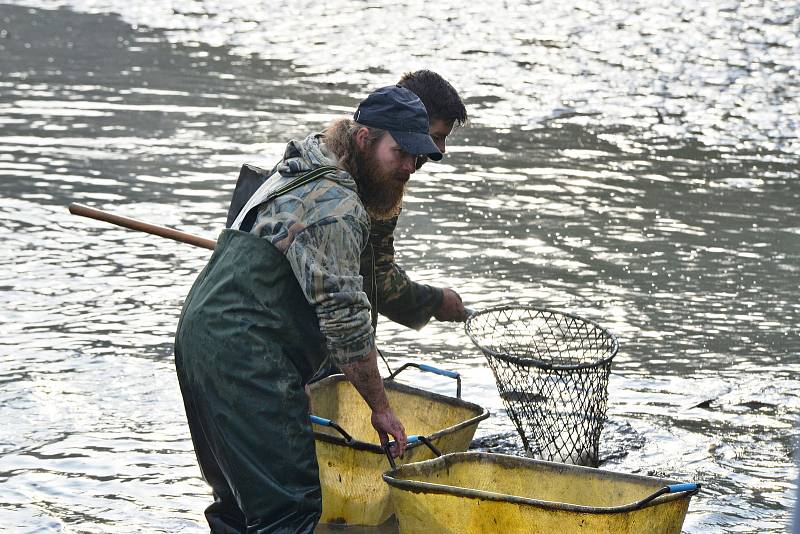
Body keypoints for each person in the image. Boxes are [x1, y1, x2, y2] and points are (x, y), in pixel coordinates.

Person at [174, 85, 442, 533]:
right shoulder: (337, 206)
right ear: (364, 140)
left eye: (418, 158)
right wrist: (380, 408)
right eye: (401, 153)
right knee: (289, 512)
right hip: (245, 352)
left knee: (238, 505)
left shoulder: (303, 163)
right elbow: (344, 318)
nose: (410, 167)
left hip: (199, 336)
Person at [310, 70, 469, 381]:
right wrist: (435, 301)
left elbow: (369, 270)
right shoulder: (361, 177)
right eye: (435, 137)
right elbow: (376, 278)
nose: (440, 151)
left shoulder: (382, 166)